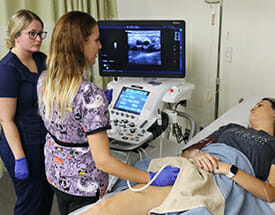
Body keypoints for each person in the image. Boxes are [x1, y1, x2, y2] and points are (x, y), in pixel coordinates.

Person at [36, 11, 179, 215]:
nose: (100, 46)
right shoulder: (89, 94)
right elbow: (103, 161)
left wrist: (92, 109)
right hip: (84, 186)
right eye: (96, 40)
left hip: (56, 174)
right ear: (80, 45)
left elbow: (65, 117)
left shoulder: (45, 80)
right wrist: (151, 178)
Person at [78, 98, 275, 215]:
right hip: (195, 167)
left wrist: (228, 170)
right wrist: (196, 154)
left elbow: (269, 193)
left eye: (260, 105)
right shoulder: (230, 127)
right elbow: (188, 151)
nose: (252, 107)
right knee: (108, 205)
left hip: (219, 178)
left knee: (112, 207)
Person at [0, 9, 54, 215]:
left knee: (45, 196)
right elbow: (6, 120)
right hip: (21, 145)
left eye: (41, 33)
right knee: (30, 201)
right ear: (16, 36)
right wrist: (20, 158)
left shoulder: (41, 60)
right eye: (32, 33)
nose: (38, 38)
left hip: (43, 141)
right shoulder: (7, 69)